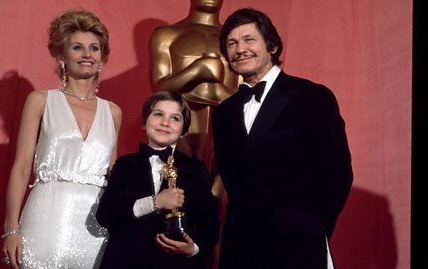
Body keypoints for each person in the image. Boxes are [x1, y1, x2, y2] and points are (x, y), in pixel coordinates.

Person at [212, 8, 353, 269]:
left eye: (249, 39)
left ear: (273, 46)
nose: (240, 48)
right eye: (232, 43)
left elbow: (338, 173)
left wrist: (313, 227)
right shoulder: (223, 113)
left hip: (297, 246)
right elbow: (233, 182)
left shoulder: (312, 97)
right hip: (240, 248)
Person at [1, 9, 122, 269]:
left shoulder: (113, 112)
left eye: (94, 48)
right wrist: (11, 228)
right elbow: (22, 168)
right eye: (77, 47)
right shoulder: (40, 101)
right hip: (46, 217)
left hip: (96, 227)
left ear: (102, 57)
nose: (87, 54)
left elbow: (114, 178)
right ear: (62, 56)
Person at [96, 91, 220, 269]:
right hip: (126, 261)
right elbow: (106, 215)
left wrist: (192, 248)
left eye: (175, 118)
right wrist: (155, 202)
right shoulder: (125, 165)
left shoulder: (195, 170)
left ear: (184, 129)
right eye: (158, 114)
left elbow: (210, 227)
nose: (165, 123)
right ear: (144, 121)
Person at [150, 0, 240, 161]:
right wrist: (197, 70)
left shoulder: (235, 41)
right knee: (178, 179)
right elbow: (159, 89)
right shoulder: (167, 35)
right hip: (181, 126)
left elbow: (245, 97)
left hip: (226, 131)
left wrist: (217, 89)